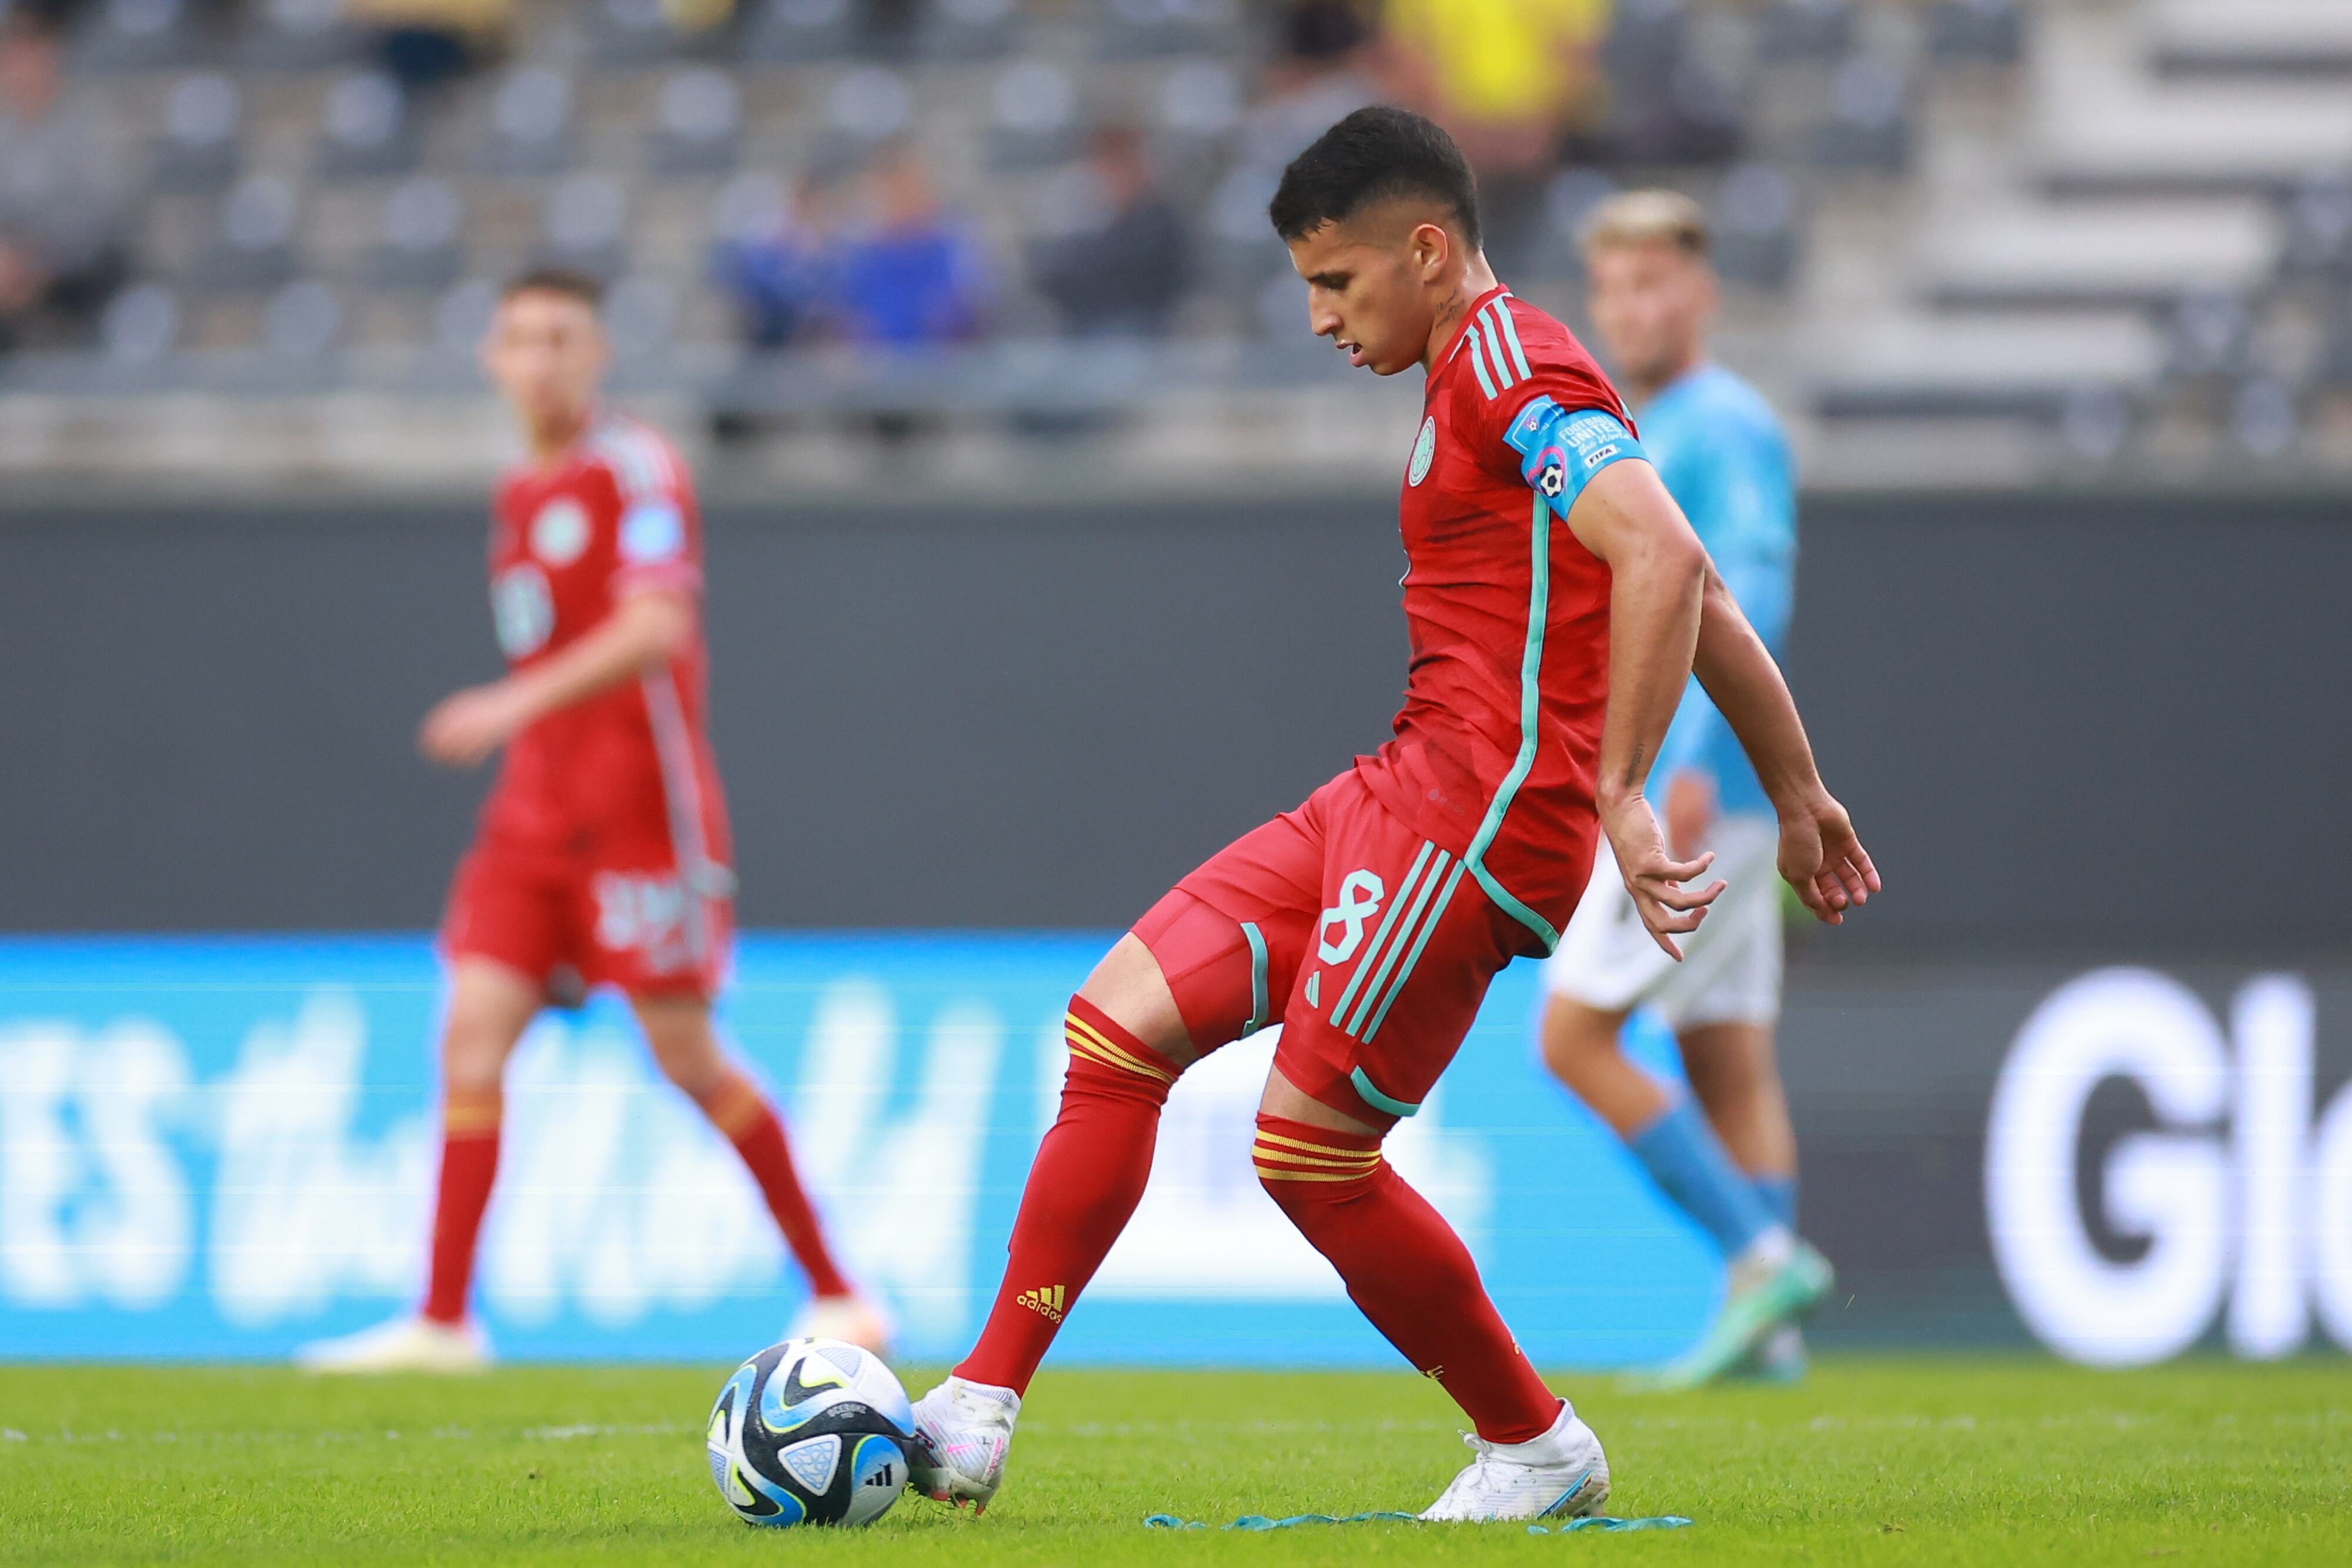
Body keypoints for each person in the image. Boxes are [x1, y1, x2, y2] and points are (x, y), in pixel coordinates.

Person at [903, 108, 1875, 1522]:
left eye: (1335, 282)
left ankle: (1535, 1446)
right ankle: (979, 1406)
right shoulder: (1470, 370)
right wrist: (1795, 790)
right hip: (1394, 787)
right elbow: (1698, 585)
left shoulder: (1508, 363)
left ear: (1425, 252)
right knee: (1114, 1027)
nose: (1317, 317)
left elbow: (1662, 555)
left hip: (1474, 823)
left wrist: (1612, 788)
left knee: (1306, 1153)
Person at [298, 268, 885, 1373]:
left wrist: (507, 701)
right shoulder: (521, 490)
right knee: (470, 1036)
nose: (540, 359)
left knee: (685, 1052)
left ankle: (841, 1291)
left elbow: (657, 627)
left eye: (561, 337)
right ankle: (442, 1321)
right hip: (532, 817)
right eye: (520, 338)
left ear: (598, 353)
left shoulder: (635, 468)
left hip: (637, 814)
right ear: (492, 358)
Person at [1538, 189, 1818, 1389]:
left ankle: (1760, 1256)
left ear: (1699, 294)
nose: (1634, 307)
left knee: (1570, 1037)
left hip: (1684, 787)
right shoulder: (1641, 422)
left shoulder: (1722, 423)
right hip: (1716, 790)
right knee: (1725, 1055)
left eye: (1655, 284)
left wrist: (1690, 763)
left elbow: (1744, 589)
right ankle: (1775, 1334)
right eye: (1614, 288)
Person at [0, 9, 129, 353]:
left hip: (77, 274)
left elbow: (102, 214)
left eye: (30, 51)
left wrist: (36, 261)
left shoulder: (91, 122)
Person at [1030, 124, 1191, 339]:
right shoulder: (1097, 218)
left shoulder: (1159, 223)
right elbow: (1052, 276)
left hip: (1140, 333)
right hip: (1084, 333)